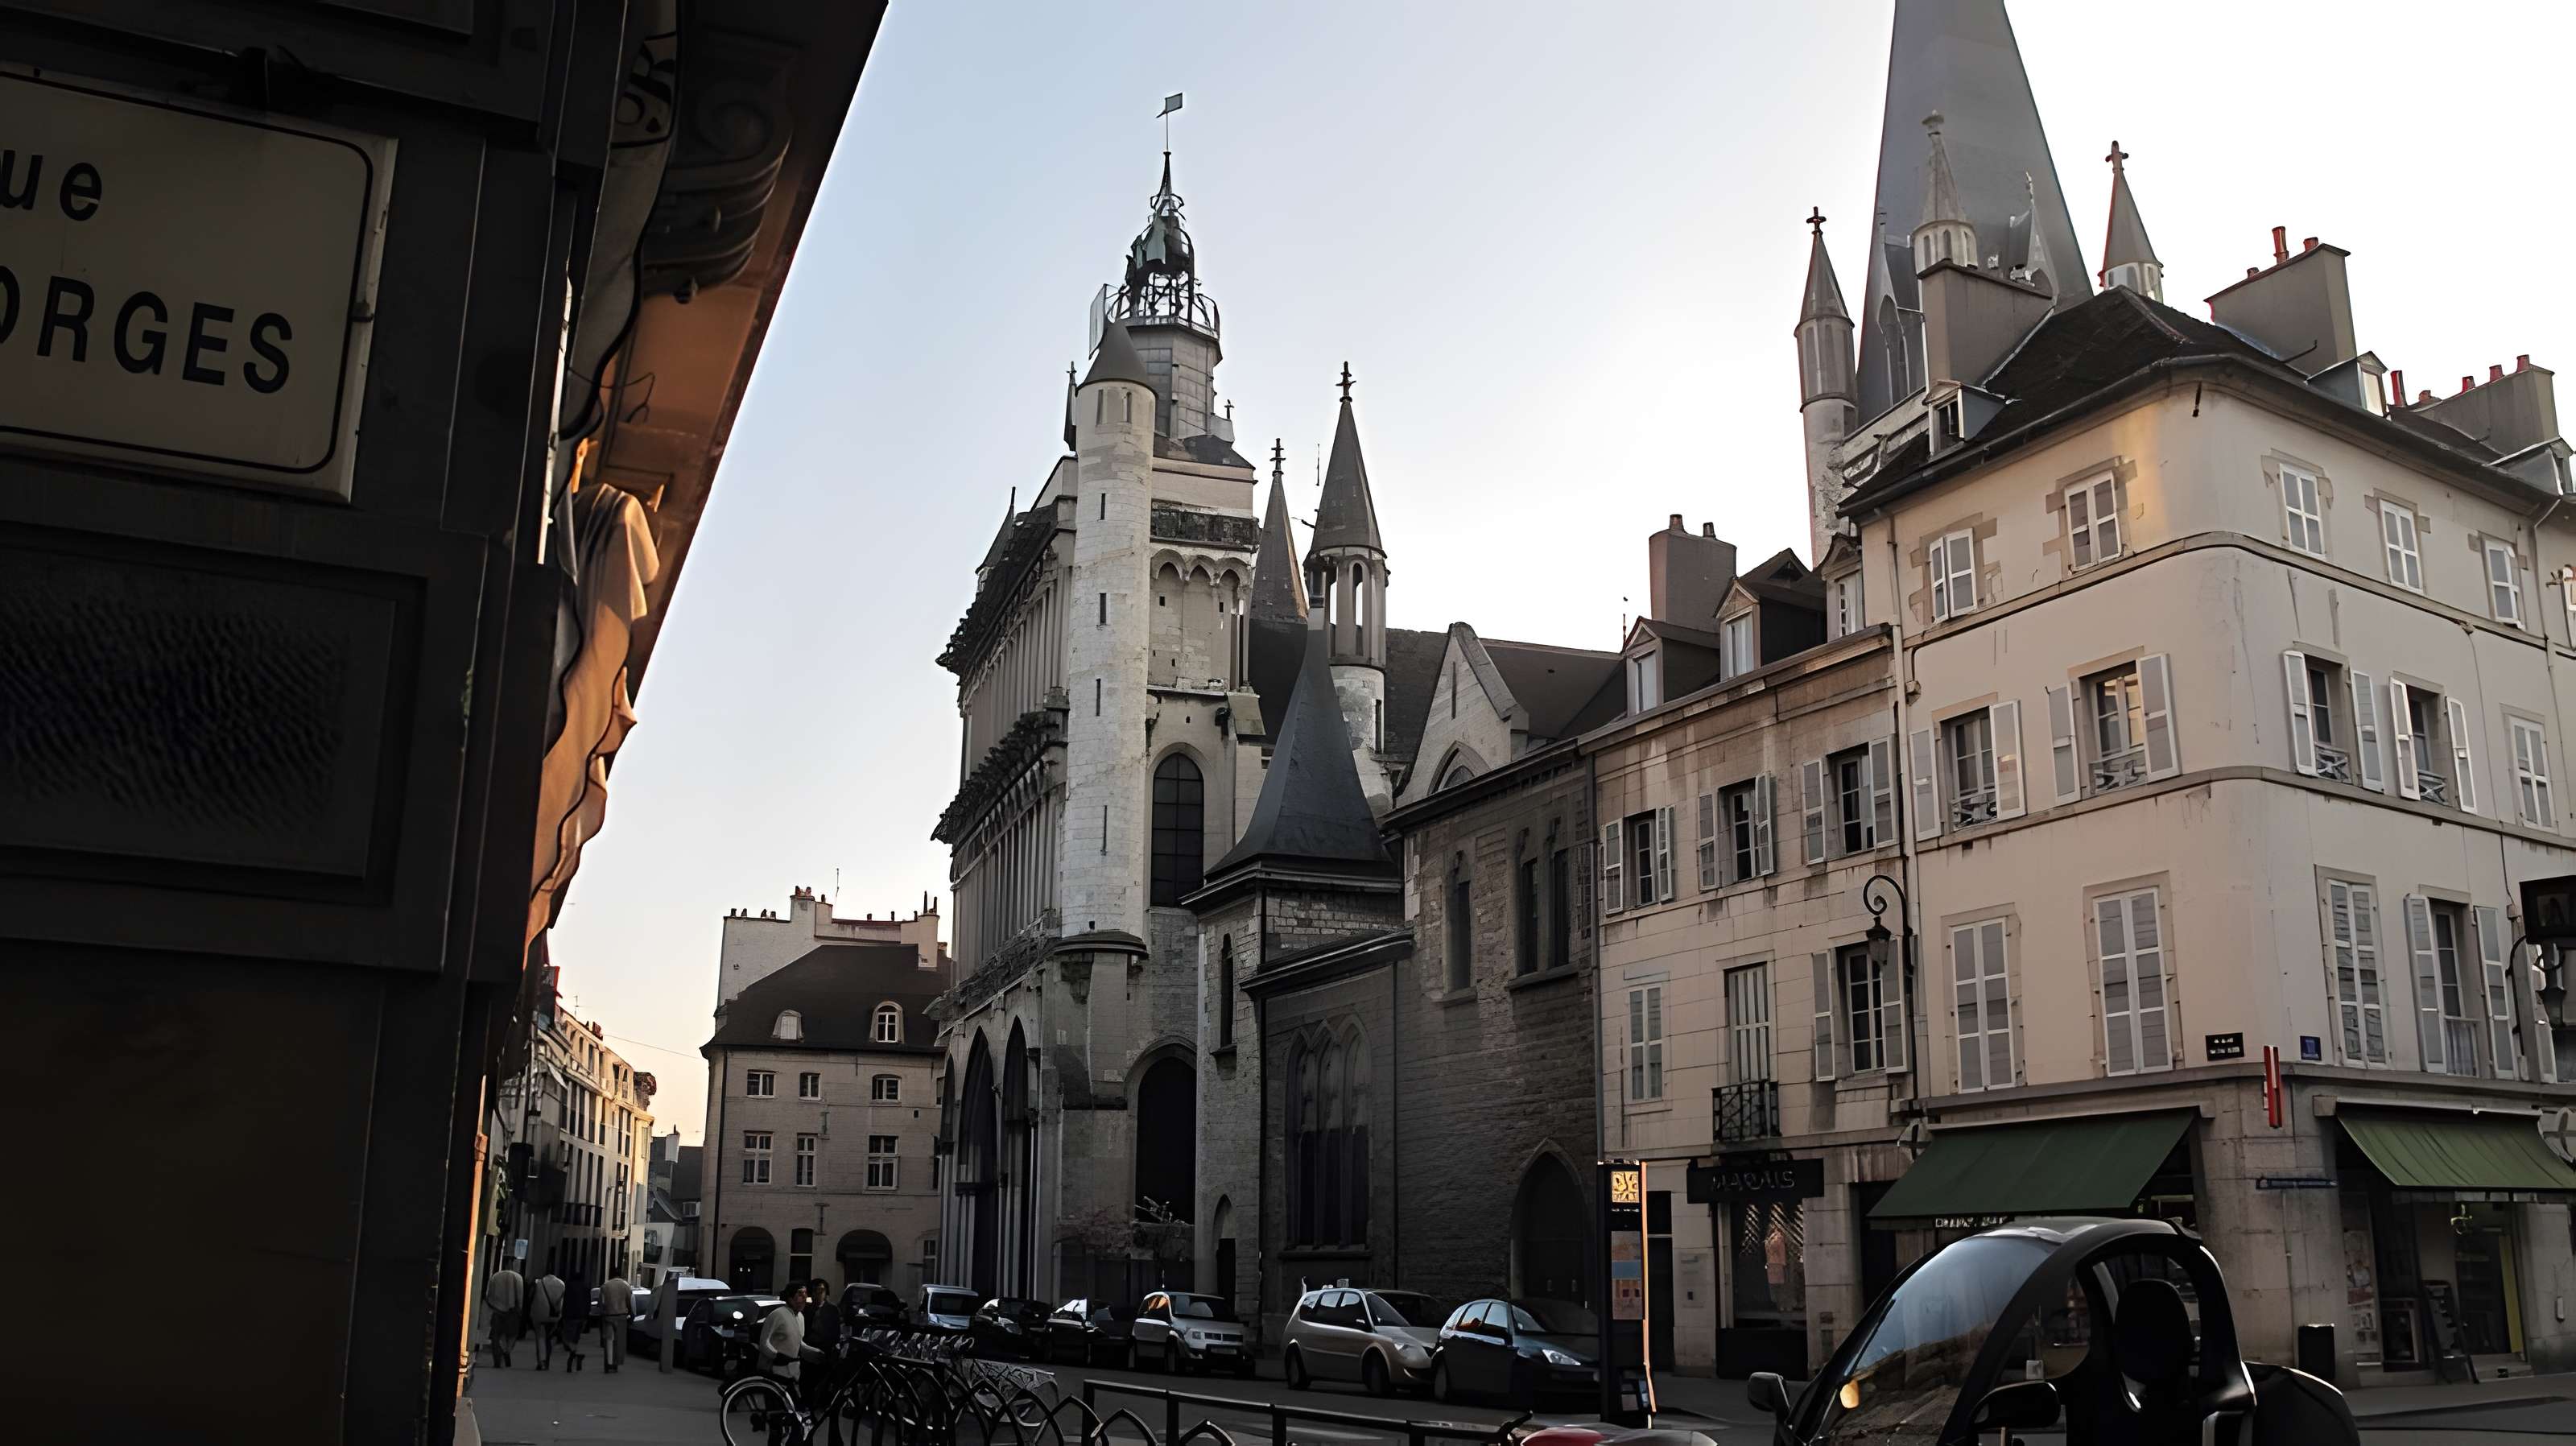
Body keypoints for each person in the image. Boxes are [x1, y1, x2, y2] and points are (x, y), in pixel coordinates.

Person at [758, 1282, 821, 1399]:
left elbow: (799, 1343)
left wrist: (816, 1353)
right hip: (775, 1370)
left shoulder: (801, 1317)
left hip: (793, 1371)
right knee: (777, 1407)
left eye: (805, 1295)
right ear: (790, 1298)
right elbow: (763, 1343)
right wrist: (776, 1355)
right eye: (800, 1294)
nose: (803, 1298)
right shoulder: (777, 1314)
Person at [485, 1262, 526, 1369]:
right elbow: (520, 1296)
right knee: (512, 1333)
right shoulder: (518, 1277)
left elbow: (489, 1294)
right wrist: (519, 1309)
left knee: (497, 1334)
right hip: (513, 1312)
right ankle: (507, 1350)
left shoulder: (495, 1276)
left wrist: (492, 1306)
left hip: (497, 1309)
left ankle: (497, 1358)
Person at [529, 1267, 567, 1370]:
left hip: (541, 1313)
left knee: (540, 1337)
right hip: (555, 1315)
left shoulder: (539, 1283)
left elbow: (531, 1297)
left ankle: (542, 1361)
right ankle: (547, 1359)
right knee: (549, 1338)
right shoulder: (561, 1284)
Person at [599, 1272, 634, 1373]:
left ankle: (608, 1363)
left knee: (609, 1341)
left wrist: (602, 1314)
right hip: (621, 1317)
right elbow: (629, 1301)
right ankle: (616, 1363)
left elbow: (601, 1303)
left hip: (608, 1317)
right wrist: (631, 1313)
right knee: (620, 1342)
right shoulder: (626, 1285)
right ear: (620, 1276)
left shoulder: (605, 1286)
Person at [561, 1268, 592, 1372]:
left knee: (566, 1338)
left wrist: (563, 1314)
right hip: (582, 1317)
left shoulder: (568, 1287)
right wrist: (587, 1316)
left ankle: (573, 1354)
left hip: (570, 1316)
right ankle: (575, 1356)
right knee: (576, 1338)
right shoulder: (586, 1288)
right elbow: (588, 1303)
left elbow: (565, 1302)